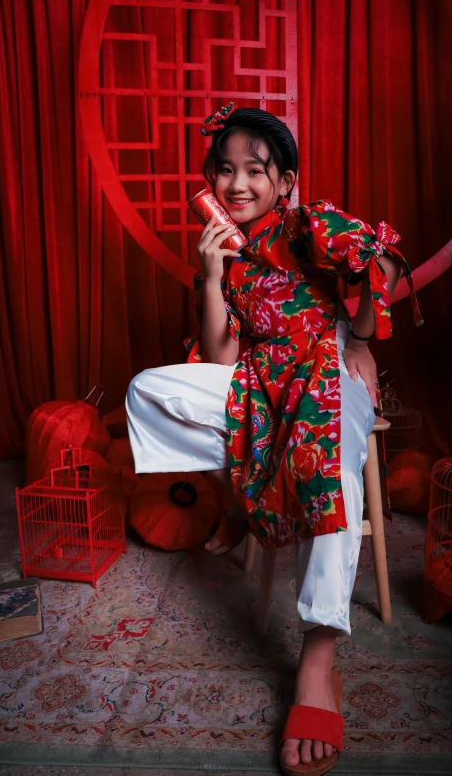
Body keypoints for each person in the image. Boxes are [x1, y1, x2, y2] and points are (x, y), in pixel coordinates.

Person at [126, 104, 422, 776]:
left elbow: (375, 270)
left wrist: (363, 338)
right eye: (224, 170)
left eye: (255, 171)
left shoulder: (305, 222)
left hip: (322, 366)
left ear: (284, 181)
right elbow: (220, 362)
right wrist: (209, 277)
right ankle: (245, 491)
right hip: (259, 382)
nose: (237, 184)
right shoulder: (227, 253)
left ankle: (318, 656)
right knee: (148, 391)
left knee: (327, 464)